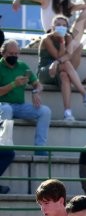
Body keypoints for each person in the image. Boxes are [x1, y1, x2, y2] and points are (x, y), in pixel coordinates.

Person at [0, 40, 51, 193]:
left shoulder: (22, 66)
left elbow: (37, 83)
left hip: (20, 106)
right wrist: (14, 85)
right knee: (7, 109)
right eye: (11, 54)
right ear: (3, 53)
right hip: (2, 104)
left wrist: (35, 91)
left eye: (16, 54)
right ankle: (6, 145)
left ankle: (40, 148)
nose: (14, 56)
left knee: (45, 111)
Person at [37, 15, 86, 121]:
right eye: (58, 25)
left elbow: (66, 56)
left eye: (64, 25)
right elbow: (58, 56)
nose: (61, 27)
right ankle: (85, 95)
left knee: (64, 75)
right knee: (66, 64)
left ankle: (67, 113)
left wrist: (57, 61)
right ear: (53, 27)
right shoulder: (47, 38)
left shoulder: (68, 37)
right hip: (45, 72)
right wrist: (62, 42)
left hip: (60, 70)